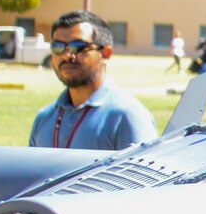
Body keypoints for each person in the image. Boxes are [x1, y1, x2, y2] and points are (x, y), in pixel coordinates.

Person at [28, 10, 157, 150]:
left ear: (105, 54)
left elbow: (145, 165)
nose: (66, 55)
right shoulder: (44, 118)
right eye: (58, 47)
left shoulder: (127, 116)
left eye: (78, 47)